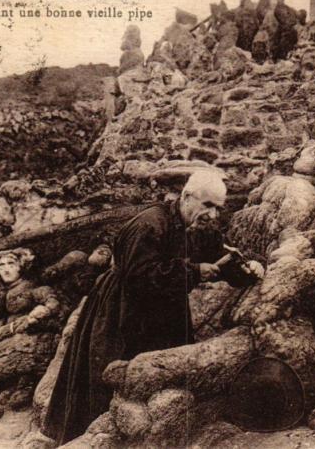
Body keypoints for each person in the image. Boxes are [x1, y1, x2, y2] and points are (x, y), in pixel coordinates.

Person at [43, 171, 264, 445]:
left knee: (165, 382)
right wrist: (194, 272)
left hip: (165, 310)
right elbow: (139, 276)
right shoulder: (150, 224)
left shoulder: (200, 228)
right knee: (112, 379)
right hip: (122, 310)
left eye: (219, 208)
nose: (213, 214)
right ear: (186, 197)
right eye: (207, 205)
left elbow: (220, 256)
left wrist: (249, 269)